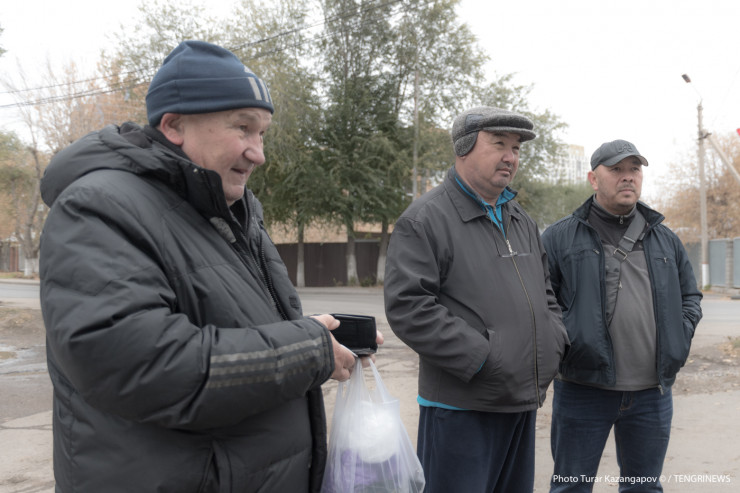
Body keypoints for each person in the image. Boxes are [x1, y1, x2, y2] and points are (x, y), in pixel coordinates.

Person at [39, 40, 378, 493]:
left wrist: (319, 335)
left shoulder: (231, 210)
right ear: (175, 125)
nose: (258, 152)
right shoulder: (98, 206)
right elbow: (138, 366)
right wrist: (307, 351)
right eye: (243, 128)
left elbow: (234, 323)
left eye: (262, 133)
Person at [384, 106, 569, 492]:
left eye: (516, 148)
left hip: (520, 401)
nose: (510, 157)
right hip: (461, 408)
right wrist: (486, 358)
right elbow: (409, 307)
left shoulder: (521, 220)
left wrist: (553, 341)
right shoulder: (425, 219)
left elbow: (546, 293)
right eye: (499, 144)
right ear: (463, 148)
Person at [542, 139, 703, 492]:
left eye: (634, 169)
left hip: (652, 393)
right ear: (593, 179)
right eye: (616, 169)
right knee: (571, 486)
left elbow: (690, 297)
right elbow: (542, 305)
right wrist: (569, 343)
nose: (627, 177)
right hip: (583, 388)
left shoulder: (665, 239)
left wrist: (680, 335)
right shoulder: (559, 238)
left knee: (643, 487)